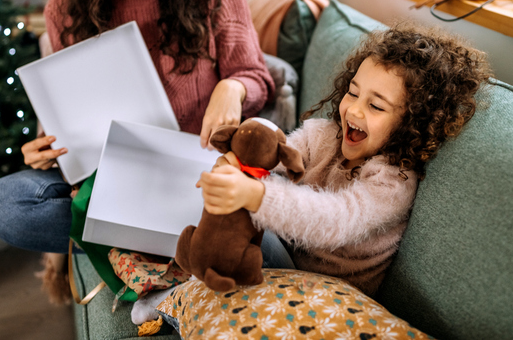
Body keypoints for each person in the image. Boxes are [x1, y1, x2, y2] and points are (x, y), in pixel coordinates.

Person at [0, 0, 273, 262]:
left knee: (264, 233)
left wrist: (233, 86)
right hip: (117, 180)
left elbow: (257, 78)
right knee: (4, 204)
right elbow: (72, 119)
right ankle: (181, 244)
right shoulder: (67, 8)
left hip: (201, 177)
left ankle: (148, 244)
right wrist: (48, 149)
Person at [197, 25, 493, 296]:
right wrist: (235, 165)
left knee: (241, 212)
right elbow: (274, 155)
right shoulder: (324, 136)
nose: (354, 111)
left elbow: (334, 220)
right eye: (353, 92)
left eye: (376, 106)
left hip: (328, 291)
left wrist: (255, 195)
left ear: (411, 123)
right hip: (284, 258)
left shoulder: (393, 182)